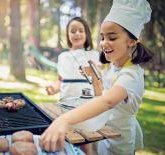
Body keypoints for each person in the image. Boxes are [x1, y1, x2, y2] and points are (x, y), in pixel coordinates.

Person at [40, 0, 153, 155]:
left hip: (120, 142)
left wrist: (63, 120)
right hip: (104, 135)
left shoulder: (131, 75)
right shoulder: (113, 68)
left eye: (112, 38)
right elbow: (101, 95)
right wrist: (94, 78)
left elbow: (107, 102)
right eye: (102, 37)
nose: (104, 43)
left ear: (132, 41)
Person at [45, 17, 106, 155]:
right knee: (65, 143)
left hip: (86, 109)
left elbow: (100, 80)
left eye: (80, 30)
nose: (77, 34)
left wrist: (95, 70)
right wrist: (53, 89)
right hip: (64, 108)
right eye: (73, 31)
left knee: (85, 145)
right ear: (68, 35)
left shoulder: (93, 55)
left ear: (87, 34)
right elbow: (60, 80)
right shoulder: (62, 57)